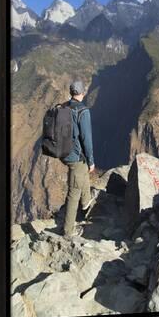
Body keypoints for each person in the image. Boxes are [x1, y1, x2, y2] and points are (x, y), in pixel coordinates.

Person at [61, 79, 95, 237]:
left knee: (82, 174)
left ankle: (86, 202)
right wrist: (91, 160)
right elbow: (87, 139)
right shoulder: (83, 111)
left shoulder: (64, 107)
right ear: (83, 92)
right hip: (76, 156)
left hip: (64, 152)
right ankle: (68, 231)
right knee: (73, 192)